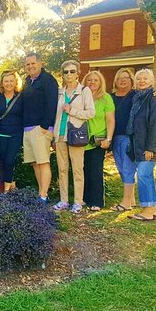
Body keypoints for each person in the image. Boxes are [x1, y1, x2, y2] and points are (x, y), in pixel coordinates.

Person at [126, 69, 156, 221]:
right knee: (147, 175)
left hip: (150, 146)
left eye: (146, 78)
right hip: (139, 143)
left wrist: (150, 148)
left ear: (152, 82)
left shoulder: (155, 98)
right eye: (139, 79)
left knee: (143, 174)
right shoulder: (138, 98)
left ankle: (146, 210)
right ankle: (152, 208)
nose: (142, 81)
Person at [52, 60, 95, 213]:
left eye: (72, 71)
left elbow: (91, 113)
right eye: (66, 72)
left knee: (77, 169)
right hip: (60, 135)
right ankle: (64, 200)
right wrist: (53, 136)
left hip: (76, 134)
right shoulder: (59, 92)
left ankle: (78, 201)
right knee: (62, 169)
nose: (69, 74)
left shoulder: (84, 91)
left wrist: (72, 111)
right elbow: (55, 115)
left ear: (78, 73)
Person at [21, 52, 59, 203]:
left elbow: (52, 104)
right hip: (28, 129)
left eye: (33, 63)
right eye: (27, 64)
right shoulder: (27, 81)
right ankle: (41, 194)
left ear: (40, 63)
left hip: (41, 128)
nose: (30, 66)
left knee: (43, 162)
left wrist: (45, 126)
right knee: (35, 163)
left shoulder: (48, 80)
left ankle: (43, 196)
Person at [82, 71, 115, 212]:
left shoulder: (106, 98)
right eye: (89, 80)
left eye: (96, 80)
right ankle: (84, 199)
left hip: (98, 140)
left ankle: (96, 201)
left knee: (95, 171)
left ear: (100, 82)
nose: (92, 82)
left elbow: (110, 120)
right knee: (83, 171)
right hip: (81, 139)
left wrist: (108, 138)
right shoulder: (81, 97)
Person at [0, 70, 23, 192]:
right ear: (2, 83)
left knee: (10, 160)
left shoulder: (21, 97)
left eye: (11, 81)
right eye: (6, 81)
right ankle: (12, 185)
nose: (9, 83)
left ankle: (6, 191)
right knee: (4, 161)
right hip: (0, 134)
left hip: (16, 134)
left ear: (15, 82)